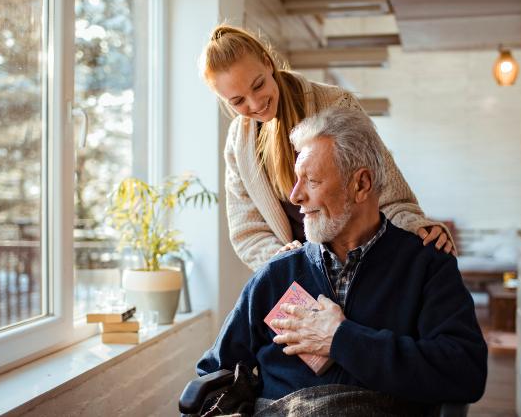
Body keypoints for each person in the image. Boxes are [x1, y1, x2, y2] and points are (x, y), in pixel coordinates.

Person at [196, 108, 487, 413]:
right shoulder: (278, 274)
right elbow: (212, 373)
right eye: (296, 180)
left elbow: (465, 373)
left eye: (311, 181)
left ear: (361, 185)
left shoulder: (426, 266)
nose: (295, 196)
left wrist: (341, 339)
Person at [200, 25, 455, 271]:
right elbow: (248, 230)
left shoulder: (336, 103)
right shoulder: (238, 143)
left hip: (363, 263)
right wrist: (281, 261)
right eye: (238, 101)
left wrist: (417, 226)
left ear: (268, 62)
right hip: (298, 276)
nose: (255, 103)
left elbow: (385, 187)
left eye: (258, 85)